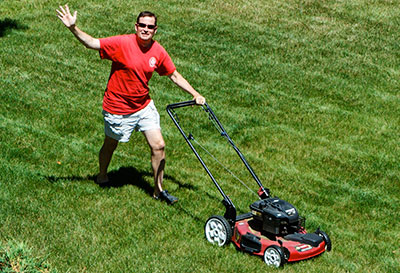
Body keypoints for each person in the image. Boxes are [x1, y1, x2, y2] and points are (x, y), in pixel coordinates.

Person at [56, 4, 205, 205]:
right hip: (117, 108)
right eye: (142, 25)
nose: (145, 29)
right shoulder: (121, 43)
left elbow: (174, 75)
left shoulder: (158, 51)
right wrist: (73, 28)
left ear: (155, 30)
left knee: (159, 145)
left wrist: (195, 94)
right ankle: (102, 175)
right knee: (111, 144)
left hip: (143, 106)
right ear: (136, 26)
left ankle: (158, 191)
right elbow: (92, 43)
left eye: (150, 27)